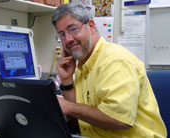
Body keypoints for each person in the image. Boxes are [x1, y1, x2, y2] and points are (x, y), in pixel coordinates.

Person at [52, 3, 167, 138]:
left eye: (73, 29)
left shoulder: (115, 60)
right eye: (62, 35)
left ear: (91, 26)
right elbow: (79, 119)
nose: (68, 39)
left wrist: (68, 107)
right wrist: (66, 81)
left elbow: (119, 119)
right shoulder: (83, 65)